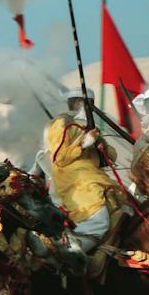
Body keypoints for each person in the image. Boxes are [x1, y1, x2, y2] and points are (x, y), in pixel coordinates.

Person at [45, 86, 124, 251]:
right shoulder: (61, 123)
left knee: (126, 210)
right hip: (76, 179)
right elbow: (60, 158)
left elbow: (110, 158)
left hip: (94, 176)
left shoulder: (87, 125)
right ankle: (70, 252)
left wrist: (100, 142)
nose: (93, 108)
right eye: (90, 104)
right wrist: (84, 143)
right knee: (98, 220)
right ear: (80, 103)